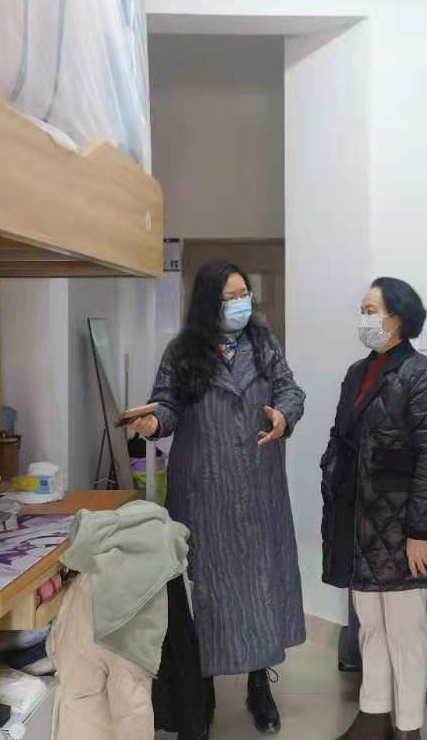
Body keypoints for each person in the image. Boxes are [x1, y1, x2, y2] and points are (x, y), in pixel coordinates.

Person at [131, 260, 306, 735]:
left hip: (257, 487)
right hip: (203, 490)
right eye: (230, 297)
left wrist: (284, 415)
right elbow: (166, 406)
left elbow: (291, 390)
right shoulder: (182, 351)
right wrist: (153, 422)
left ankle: (258, 684)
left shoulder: (263, 344)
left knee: (259, 586)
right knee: (205, 593)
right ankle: (201, 692)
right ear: (210, 302)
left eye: (244, 294)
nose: (240, 303)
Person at [322, 277, 427, 740]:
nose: (364, 318)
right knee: (370, 627)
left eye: (370, 310)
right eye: (362, 310)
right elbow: (342, 438)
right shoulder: (357, 373)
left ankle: (409, 726)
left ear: (396, 318)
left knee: (405, 632)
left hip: (402, 530)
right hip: (359, 523)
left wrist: (421, 532)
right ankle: (373, 713)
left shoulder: (424, 376)